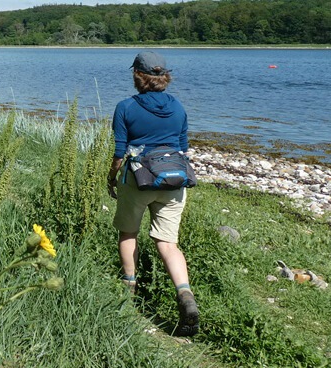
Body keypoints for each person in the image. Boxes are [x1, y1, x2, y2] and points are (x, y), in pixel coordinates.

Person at [107, 51, 199, 337]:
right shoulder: (179, 107)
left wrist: (111, 177)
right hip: (173, 179)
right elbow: (183, 148)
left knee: (128, 233)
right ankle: (185, 294)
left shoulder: (126, 107)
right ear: (164, 77)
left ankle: (128, 292)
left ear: (137, 75)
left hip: (138, 180)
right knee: (168, 243)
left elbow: (119, 153)